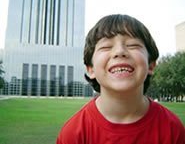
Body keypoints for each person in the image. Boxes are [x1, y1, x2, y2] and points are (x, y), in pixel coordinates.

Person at [56, 14, 185, 144]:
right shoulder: (74, 133)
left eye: (133, 45)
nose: (119, 51)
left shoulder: (172, 128)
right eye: (106, 47)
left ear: (150, 65)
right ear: (91, 69)